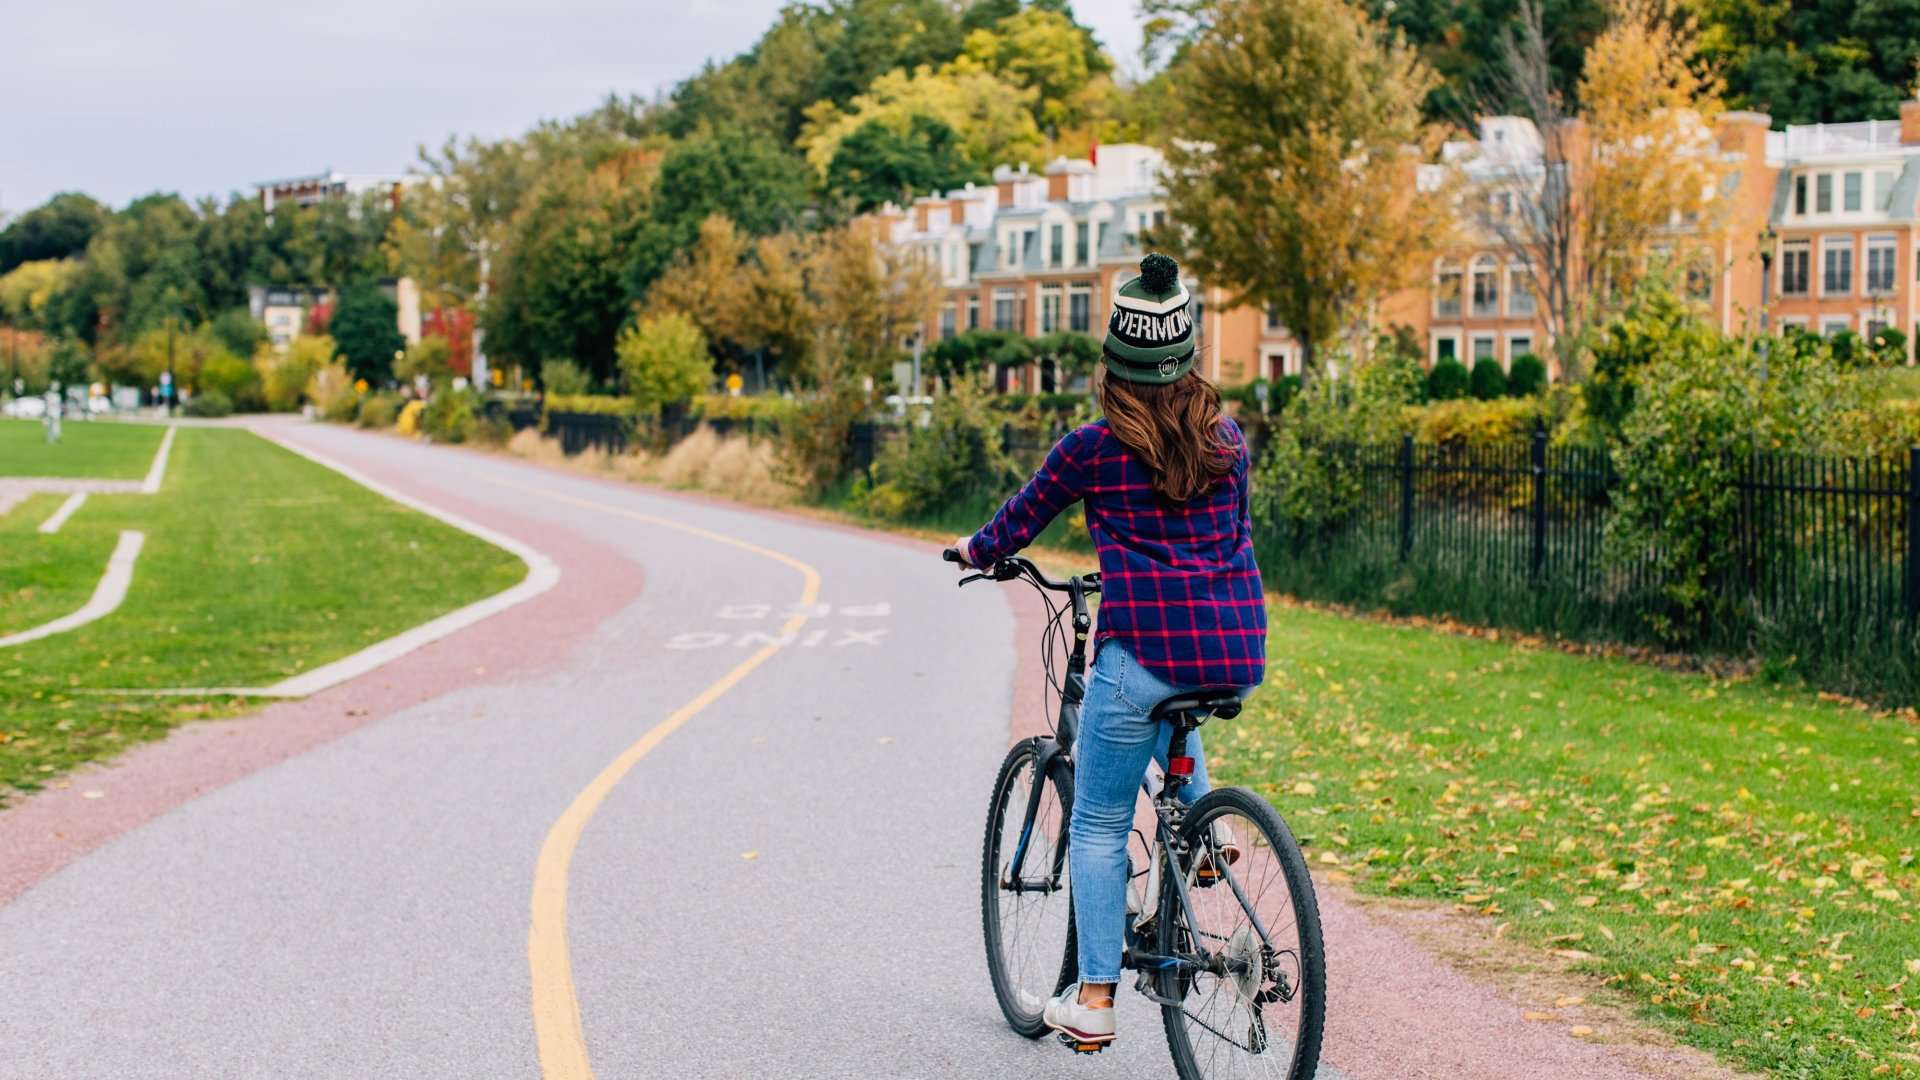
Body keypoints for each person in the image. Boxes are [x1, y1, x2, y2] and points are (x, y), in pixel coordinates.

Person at [950, 253, 1266, 1048]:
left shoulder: (1092, 449)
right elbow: (1230, 538)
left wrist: (975, 550)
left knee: (1094, 820)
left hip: (1145, 653)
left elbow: (1014, 526)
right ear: (1188, 356)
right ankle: (1206, 826)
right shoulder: (1227, 441)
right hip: (1234, 646)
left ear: (1114, 364)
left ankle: (1093, 999)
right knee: (1173, 697)